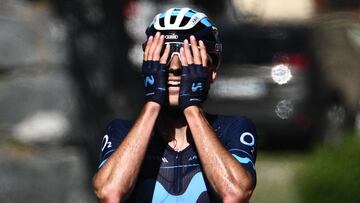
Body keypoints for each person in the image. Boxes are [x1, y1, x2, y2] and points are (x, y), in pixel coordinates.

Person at [92, 7, 257, 203]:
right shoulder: (121, 131)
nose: (174, 67)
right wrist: (153, 103)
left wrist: (192, 108)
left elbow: (235, 193)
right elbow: (109, 193)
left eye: (189, 57)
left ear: (212, 71)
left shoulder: (233, 129)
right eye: (163, 55)